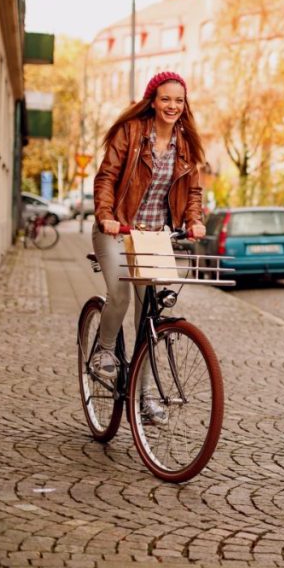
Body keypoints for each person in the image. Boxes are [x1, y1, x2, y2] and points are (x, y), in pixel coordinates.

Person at [91, 71, 207, 423]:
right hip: (116, 231)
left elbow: (194, 192)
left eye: (178, 100)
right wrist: (106, 216)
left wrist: (194, 220)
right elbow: (107, 177)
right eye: (166, 99)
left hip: (154, 238)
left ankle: (143, 399)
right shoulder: (131, 133)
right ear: (153, 101)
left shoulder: (185, 144)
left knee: (148, 319)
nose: (172, 106)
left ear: (184, 105)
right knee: (121, 296)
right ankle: (104, 352)